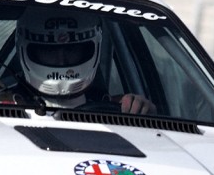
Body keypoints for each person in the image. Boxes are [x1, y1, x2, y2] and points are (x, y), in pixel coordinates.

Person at [15, 8, 154, 114]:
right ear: (28, 50)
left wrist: (143, 108)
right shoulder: (6, 105)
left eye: (71, 49)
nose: (61, 60)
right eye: (49, 50)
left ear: (90, 49)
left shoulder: (119, 107)